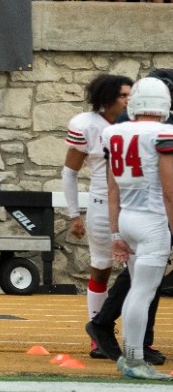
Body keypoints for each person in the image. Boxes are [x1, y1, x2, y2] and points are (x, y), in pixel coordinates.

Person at [103, 75, 173, 380]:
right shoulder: (164, 133)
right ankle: (133, 359)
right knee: (143, 293)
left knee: (137, 289)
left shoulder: (114, 133)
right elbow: (170, 191)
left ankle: (130, 357)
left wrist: (116, 234)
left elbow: (112, 190)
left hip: (127, 218)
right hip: (153, 220)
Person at [69, 73, 135, 352]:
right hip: (100, 202)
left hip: (133, 203)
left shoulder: (138, 123)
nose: (128, 100)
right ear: (106, 97)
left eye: (130, 94)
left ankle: (137, 337)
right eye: (123, 95)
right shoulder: (85, 124)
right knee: (100, 268)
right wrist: (74, 213)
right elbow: (69, 171)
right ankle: (97, 335)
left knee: (138, 271)